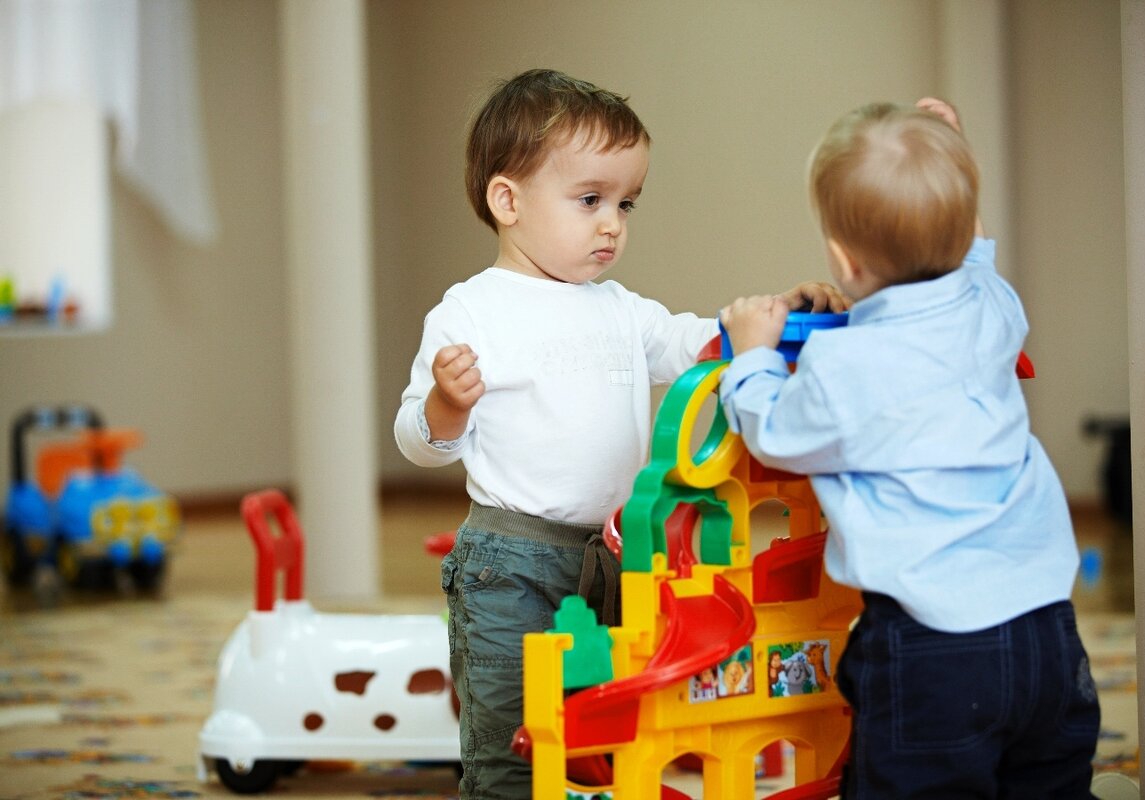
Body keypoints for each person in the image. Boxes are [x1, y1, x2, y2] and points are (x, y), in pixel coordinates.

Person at [394, 67, 847, 799]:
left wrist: (778, 320)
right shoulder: (470, 313)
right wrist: (448, 404)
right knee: (513, 743)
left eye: (626, 203)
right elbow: (416, 438)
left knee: (600, 736)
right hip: (510, 565)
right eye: (590, 200)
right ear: (507, 200)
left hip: (615, 557)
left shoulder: (621, 309)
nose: (614, 223)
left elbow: (704, 343)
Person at [718, 98, 1100, 798]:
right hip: (1050, 633)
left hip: (934, 647)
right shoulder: (994, 306)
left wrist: (753, 356)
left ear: (842, 257)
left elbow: (772, 426)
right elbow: (972, 255)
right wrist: (954, 163)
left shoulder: (846, 368)